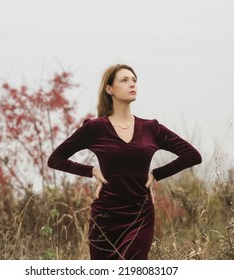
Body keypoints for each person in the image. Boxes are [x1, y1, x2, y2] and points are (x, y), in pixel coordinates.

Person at [47, 64, 202, 260]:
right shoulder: (95, 128)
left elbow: (192, 155)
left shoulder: (151, 128)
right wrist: (91, 171)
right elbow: (55, 159)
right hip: (105, 216)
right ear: (109, 89)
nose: (132, 84)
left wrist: (156, 174)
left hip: (140, 214)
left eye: (134, 80)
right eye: (124, 80)